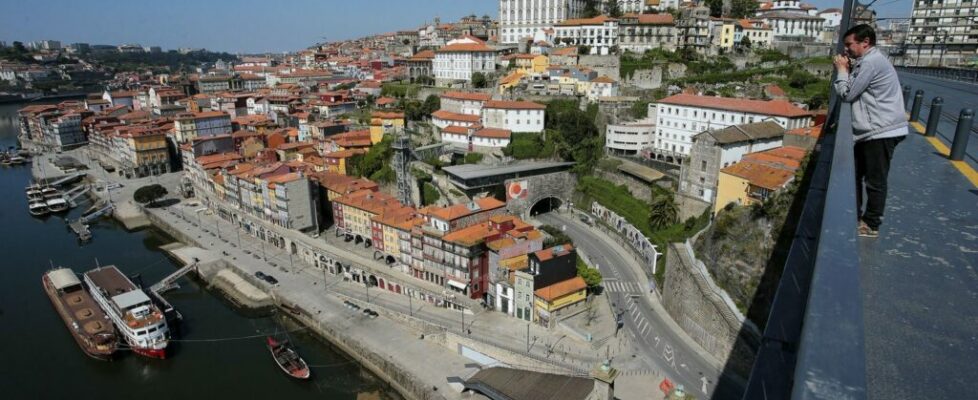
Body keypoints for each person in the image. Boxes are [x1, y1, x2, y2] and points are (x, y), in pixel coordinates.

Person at [833, 24, 908, 238]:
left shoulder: (871, 63)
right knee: (857, 174)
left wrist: (841, 71)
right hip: (875, 130)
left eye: (849, 44)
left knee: (875, 180)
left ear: (865, 42)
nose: (846, 50)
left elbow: (846, 93)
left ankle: (871, 224)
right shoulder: (869, 61)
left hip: (880, 130)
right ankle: (856, 216)